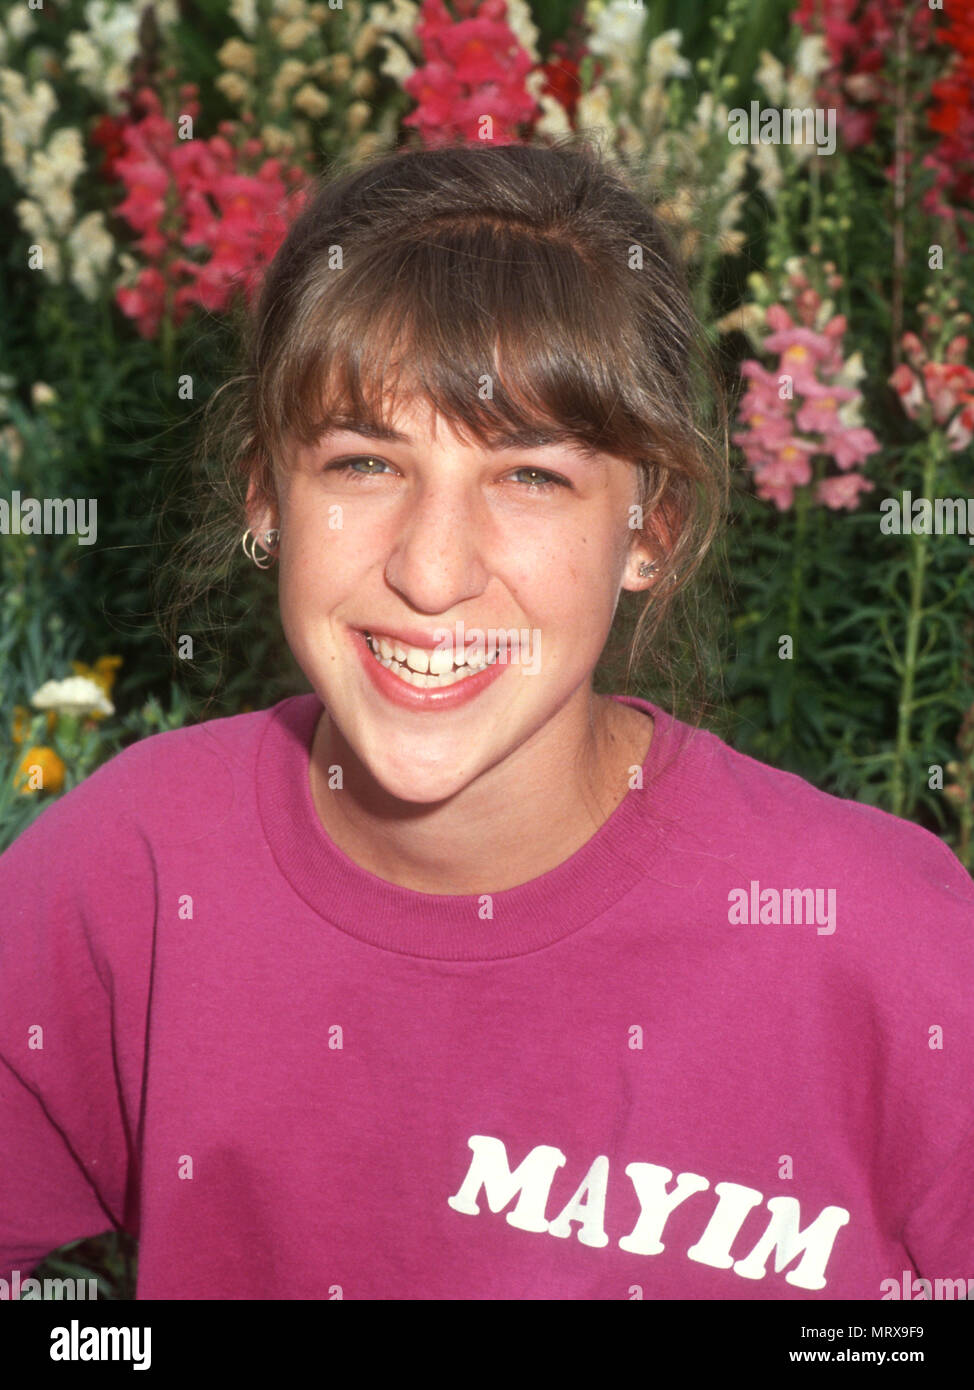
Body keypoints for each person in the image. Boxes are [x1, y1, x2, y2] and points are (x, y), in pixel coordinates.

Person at [1, 138, 972, 1302]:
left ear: (651, 528)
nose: (430, 569)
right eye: (363, 463)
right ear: (267, 496)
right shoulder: (133, 870)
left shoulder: (882, 944)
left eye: (529, 477)